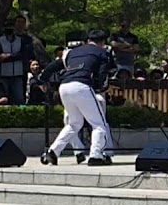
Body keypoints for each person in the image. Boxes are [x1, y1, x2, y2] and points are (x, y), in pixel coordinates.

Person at [41, 30, 115, 166]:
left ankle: (53, 151)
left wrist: (42, 79)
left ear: (88, 40)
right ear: (103, 42)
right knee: (99, 124)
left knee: (74, 124)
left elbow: (53, 66)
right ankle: (96, 155)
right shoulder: (102, 52)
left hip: (64, 87)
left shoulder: (72, 52)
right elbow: (102, 74)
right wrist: (101, 88)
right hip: (82, 86)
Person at [0, 19, 29, 105]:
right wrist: (12, 56)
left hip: (17, 75)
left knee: (19, 100)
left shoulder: (21, 40)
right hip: (3, 75)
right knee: (4, 99)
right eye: (7, 27)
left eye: (11, 27)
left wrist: (8, 56)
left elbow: (23, 55)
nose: (9, 29)